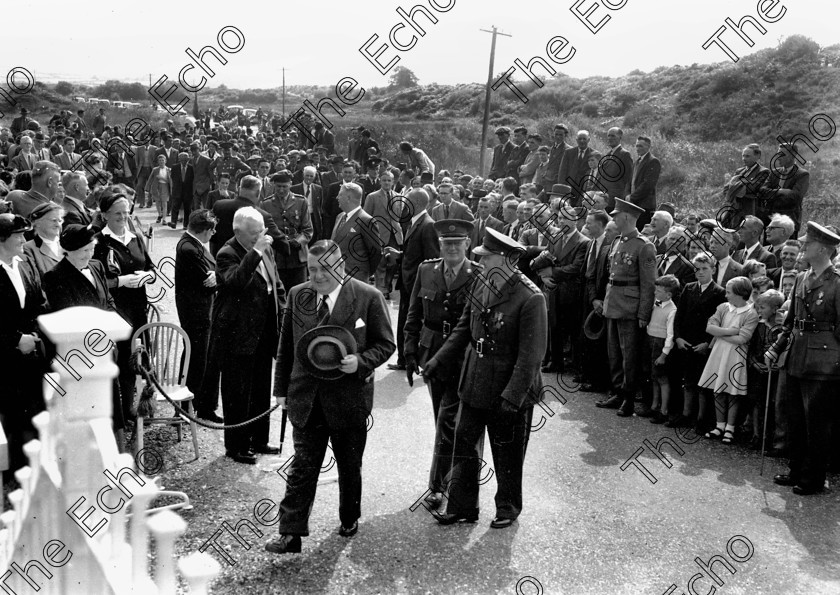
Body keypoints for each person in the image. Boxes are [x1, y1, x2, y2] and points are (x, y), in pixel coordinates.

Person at [265, 240, 395, 554]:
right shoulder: (299, 295)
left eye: (326, 269)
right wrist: (281, 390)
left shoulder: (368, 296)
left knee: (349, 465)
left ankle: (349, 517)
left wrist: (361, 362)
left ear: (341, 265)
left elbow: (386, 344)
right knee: (302, 466)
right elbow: (286, 348)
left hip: (348, 399)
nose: (318, 276)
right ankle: (290, 532)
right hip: (306, 397)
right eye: (312, 269)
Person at [424, 228, 547, 529]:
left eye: (486, 257)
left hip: (508, 385)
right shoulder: (481, 283)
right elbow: (464, 328)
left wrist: (513, 396)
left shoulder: (530, 297)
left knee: (507, 451)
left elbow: (531, 355)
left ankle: (507, 507)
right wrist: (437, 361)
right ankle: (462, 506)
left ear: (506, 259)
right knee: (463, 443)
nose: (480, 261)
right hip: (475, 377)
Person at [404, 219, 479, 509]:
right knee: (442, 418)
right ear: (439, 245)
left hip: (464, 357)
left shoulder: (479, 274)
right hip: (433, 354)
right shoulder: (426, 270)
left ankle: (439, 486)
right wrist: (410, 352)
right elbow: (413, 315)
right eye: (446, 244)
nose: (451, 248)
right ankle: (449, 483)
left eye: (456, 244)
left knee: (452, 421)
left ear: (467, 245)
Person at [767, 222, 840, 495]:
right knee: (794, 417)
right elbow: (790, 321)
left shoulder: (837, 283)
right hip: (797, 356)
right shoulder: (800, 278)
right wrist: (776, 347)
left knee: (817, 423)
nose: (803, 247)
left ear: (822, 249)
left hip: (823, 363)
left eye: (808, 244)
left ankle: (815, 477)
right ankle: (796, 469)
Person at [211, 207, 285, 464]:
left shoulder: (266, 249)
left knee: (261, 387)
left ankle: (259, 439)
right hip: (238, 334)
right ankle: (237, 445)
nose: (260, 237)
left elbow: (276, 284)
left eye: (262, 231)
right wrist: (255, 252)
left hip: (264, 330)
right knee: (237, 392)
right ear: (238, 232)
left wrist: (283, 312)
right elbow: (236, 282)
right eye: (254, 234)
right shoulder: (226, 254)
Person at [43, 224, 126, 441]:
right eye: (83, 252)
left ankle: (115, 451)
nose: (89, 255)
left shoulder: (97, 266)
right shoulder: (55, 276)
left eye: (91, 249)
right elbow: (69, 316)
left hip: (105, 348)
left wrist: (111, 331)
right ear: (68, 251)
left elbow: (108, 301)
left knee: (110, 405)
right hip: (80, 355)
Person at [92, 189, 156, 423]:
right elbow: (96, 280)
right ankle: (120, 412)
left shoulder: (135, 237)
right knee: (119, 360)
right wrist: (121, 281)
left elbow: (151, 267)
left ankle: (135, 407)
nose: (122, 217)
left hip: (138, 306)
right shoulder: (99, 242)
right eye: (117, 213)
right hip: (114, 309)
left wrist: (146, 277)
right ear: (105, 215)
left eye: (126, 212)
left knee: (138, 355)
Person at [596, 199, 657, 416]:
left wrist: (643, 313)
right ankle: (617, 391)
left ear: (628, 218)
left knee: (629, 355)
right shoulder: (617, 242)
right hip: (613, 304)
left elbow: (649, 284)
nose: (613, 218)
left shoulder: (644, 245)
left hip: (630, 308)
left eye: (616, 215)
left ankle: (629, 397)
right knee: (614, 353)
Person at [0, 214, 48, 472]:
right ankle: (16, 470)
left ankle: (36, 467)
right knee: (12, 413)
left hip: (32, 351)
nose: (23, 239)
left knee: (35, 408)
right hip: (5, 357)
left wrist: (34, 336)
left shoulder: (25, 262)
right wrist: (17, 341)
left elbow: (39, 302)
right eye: (18, 235)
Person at [698, 276, 759, 444]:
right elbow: (709, 327)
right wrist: (732, 331)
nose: (726, 295)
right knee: (717, 390)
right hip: (719, 353)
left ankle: (730, 428)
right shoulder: (723, 307)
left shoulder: (751, 313)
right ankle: (719, 425)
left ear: (740, 293)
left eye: (729, 292)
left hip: (736, 356)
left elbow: (743, 339)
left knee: (732, 392)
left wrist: (721, 334)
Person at [672, 252, 727, 430]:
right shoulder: (688, 288)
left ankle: (702, 419)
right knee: (688, 380)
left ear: (712, 269)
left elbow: (719, 322)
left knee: (703, 383)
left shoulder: (719, 293)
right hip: (686, 341)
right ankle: (686, 414)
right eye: (697, 269)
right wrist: (678, 337)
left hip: (703, 344)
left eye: (705, 268)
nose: (701, 272)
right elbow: (679, 316)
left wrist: (707, 343)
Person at [175, 210, 221, 423]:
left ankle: (200, 405)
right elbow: (206, 280)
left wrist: (216, 275)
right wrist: (217, 276)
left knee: (202, 359)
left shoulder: (193, 244)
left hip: (201, 310)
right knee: (197, 360)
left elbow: (212, 274)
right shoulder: (189, 248)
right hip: (197, 313)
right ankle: (189, 407)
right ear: (205, 230)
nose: (214, 234)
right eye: (212, 230)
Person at [388, 188, 439, 371]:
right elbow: (414, 254)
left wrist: (425, 290)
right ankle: (404, 360)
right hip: (408, 284)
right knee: (405, 322)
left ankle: (415, 361)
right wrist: (400, 255)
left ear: (416, 204)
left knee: (413, 324)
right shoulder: (415, 222)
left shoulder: (427, 225)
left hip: (416, 287)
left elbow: (432, 260)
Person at [746, 289, 785, 450]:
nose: (759, 311)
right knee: (757, 402)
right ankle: (756, 435)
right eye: (758, 307)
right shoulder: (759, 326)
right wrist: (755, 364)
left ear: (775, 309)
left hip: (774, 371)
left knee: (773, 403)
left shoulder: (781, 329)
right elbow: (751, 350)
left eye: (762, 308)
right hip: (758, 369)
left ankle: (770, 438)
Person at [362, 170, 404, 297]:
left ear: (393, 182)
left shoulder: (399, 197)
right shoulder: (372, 197)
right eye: (384, 180)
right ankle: (382, 290)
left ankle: (387, 283)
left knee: (393, 263)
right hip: (379, 234)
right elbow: (366, 216)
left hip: (394, 235)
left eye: (389, 180)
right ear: (380, 181)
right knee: (380, 263)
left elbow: (400, 216)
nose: (386, 182)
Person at [330, 181, 381, 283]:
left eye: (340, 195)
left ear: (348, 198)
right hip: (336, 276)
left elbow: (376, 252)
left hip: (356, 278)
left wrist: (364, 272)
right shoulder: (339, 217)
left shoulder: (366, 220)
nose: (337, 197)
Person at [646, 275, 680, 424]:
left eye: (658, 291)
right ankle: (654, 406)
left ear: (668, 295)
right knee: (654, 376)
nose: (655, 293)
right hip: (651, 341)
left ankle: (664, 410)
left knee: (662, 378)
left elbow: (670, 335)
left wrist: (664, 354)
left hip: (660, 345)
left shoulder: (672, 310)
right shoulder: (656, 304)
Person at [759, 143, 810, 233]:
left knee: (788, 247)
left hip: (789, 223)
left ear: (792, 156)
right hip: (770, 221)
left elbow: (795, 197)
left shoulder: (802, 174)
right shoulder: (774, 172)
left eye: (782, 154)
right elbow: (762, 191)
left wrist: (771, 195)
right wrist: (780, 192)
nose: (778, 157)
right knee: (768, 247)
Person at [22, 202, 64, 281]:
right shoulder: (28, 249)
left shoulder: (69, 245)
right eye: (53, 220)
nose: (58, 224)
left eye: (60, 220)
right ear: (37, 223)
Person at [626, 136, 660, 230]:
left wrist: (632, 197)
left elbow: (648, 185)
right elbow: (630, 181)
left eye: (640, 146)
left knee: (642, 232)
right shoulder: (637, 162)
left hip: (644, 206)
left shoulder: (653, 161)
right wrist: (627, 195)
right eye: (636, 146)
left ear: (648, 147)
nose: (637, 148)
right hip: (633, 205)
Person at [170, 152, 195, 229]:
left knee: (187, 208)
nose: (184, 162)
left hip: (188, 191)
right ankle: (173, 222)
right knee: (175, 206)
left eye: (186, 160)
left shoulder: (191, 168)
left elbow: (193, 179)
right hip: (177, 190)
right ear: (179, 160)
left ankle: (186, 224)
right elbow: (172, 177)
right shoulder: (175, 167)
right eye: (182, 160)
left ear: (188, 160)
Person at [146, 154, 172, 225]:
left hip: (165, 187)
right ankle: (160, 214)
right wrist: (147, 187)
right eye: (160, 160)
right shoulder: (155, 169)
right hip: (156, 187)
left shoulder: (169, 170)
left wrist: (161, 178)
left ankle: (164, 219)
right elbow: (150, 179)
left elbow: (170, 181)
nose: (161, 162)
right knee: (158, 202)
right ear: (158, 162)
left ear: (165, 161)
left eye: (162, 160)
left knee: (164, 203)